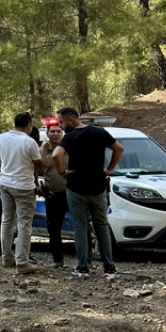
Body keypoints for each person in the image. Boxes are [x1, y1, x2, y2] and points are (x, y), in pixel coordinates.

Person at [52, 107, 123, 279]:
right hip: (98, 186)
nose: (61, 126)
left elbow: (56, 154)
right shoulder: (99, 132)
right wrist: (108, 169)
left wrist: (62, 172)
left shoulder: (70, 137)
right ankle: (109, 268)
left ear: (70, 120)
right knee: (101, 226)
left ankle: (82, 267)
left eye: (61, 122)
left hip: (76, 187)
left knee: (80, 226)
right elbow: (119, 149)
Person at [0, 112, 46, 274]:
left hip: (5, 184)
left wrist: (2, 170)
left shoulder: (3, 138)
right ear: (29, 125)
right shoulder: (29, 142)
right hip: (24, 186)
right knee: (24, 223)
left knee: (7, 221)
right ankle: (22, 262)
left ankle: (7, 258)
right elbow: (39, 165)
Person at [38, 118, 70, 268]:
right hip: (53, 195)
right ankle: (58, 260)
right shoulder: (43, 149)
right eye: (53, 132)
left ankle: (86, 259)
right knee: (53, 228)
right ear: (47, 133)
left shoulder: (69, 147)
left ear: (62, 132)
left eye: (58, 131)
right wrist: (43, 151)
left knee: (82, 225)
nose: (56, 134)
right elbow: (37, 169)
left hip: (71, 193)